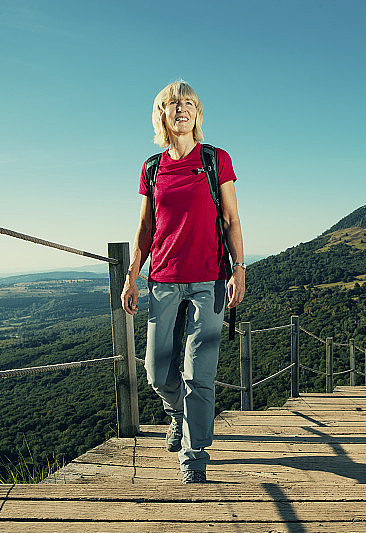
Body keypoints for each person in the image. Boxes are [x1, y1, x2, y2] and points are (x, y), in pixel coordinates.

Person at [121, 80, 245, 484]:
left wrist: (239, 268)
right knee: (157, 373)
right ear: (162, 114)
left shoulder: (215, 160)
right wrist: (132, 276)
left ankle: (194, 457)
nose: (181, 109)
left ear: (198, 112)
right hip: (162, 280)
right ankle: (178, 414)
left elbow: (230, 218)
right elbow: (145, 227)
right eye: (173, 103)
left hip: (210, 280)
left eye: (188, 103)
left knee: (198, 374)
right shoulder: (151, 168)